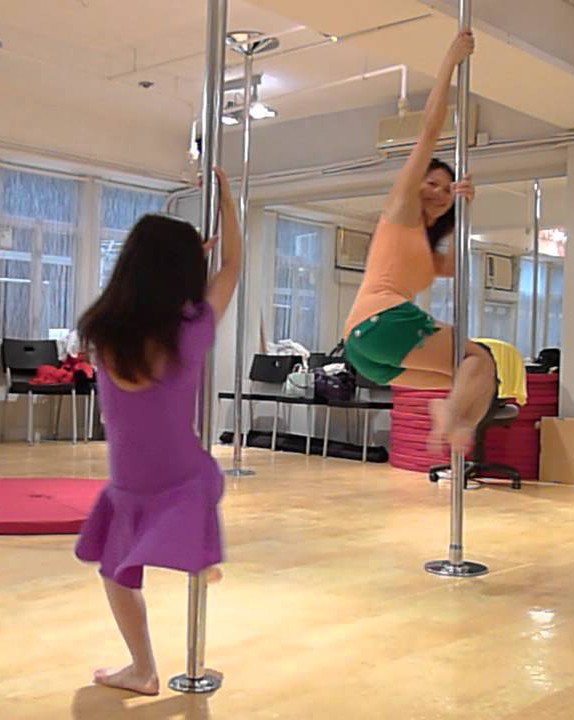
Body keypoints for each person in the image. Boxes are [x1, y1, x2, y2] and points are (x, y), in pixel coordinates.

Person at [75, 167, 241, 695]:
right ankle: (196, 553)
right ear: (184, 275)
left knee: (116, 574)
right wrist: (228, 203)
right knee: (119, 569)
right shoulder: (190, 330)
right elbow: (232, 266)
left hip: (133, 482)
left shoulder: (103, 330)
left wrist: (183, 260)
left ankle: (143, 667)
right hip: (183, 477)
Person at [344, 30, 496, 453]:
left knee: (471, 377)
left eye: (447, 190)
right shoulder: (400, 212)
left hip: (365, 347)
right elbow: (429, 129)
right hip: (382, 321)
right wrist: (451, 60)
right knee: (478, 358)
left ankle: (455, 423)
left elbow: (462, 266)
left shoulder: (429, 255)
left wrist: (467, 206)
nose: (438, 192)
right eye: (432, 182)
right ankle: (449, 415)